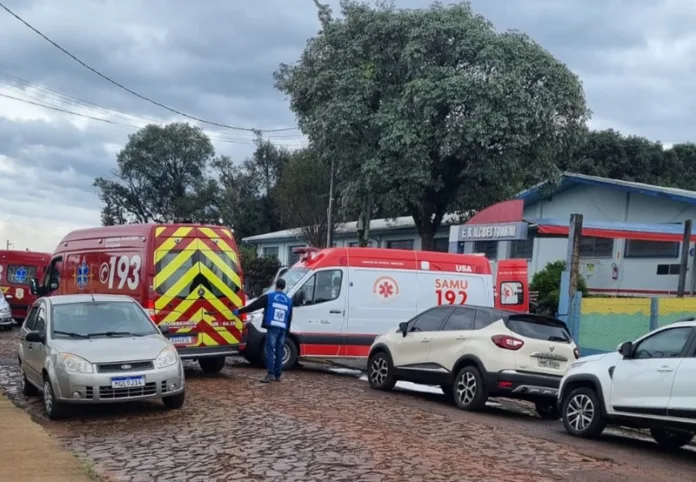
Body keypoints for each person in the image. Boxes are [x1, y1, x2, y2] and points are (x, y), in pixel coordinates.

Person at [233, 278, 293, 383]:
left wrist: (240, 311)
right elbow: (289, 317)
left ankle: (270, 374)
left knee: (270, 351)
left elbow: (254, 306)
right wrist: (287, 330)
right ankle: (278, 375)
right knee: (279, 351)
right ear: (283, 287)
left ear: (276, 286)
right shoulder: (288, 300)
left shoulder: (269, 297)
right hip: (282, 329)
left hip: (272, 327)